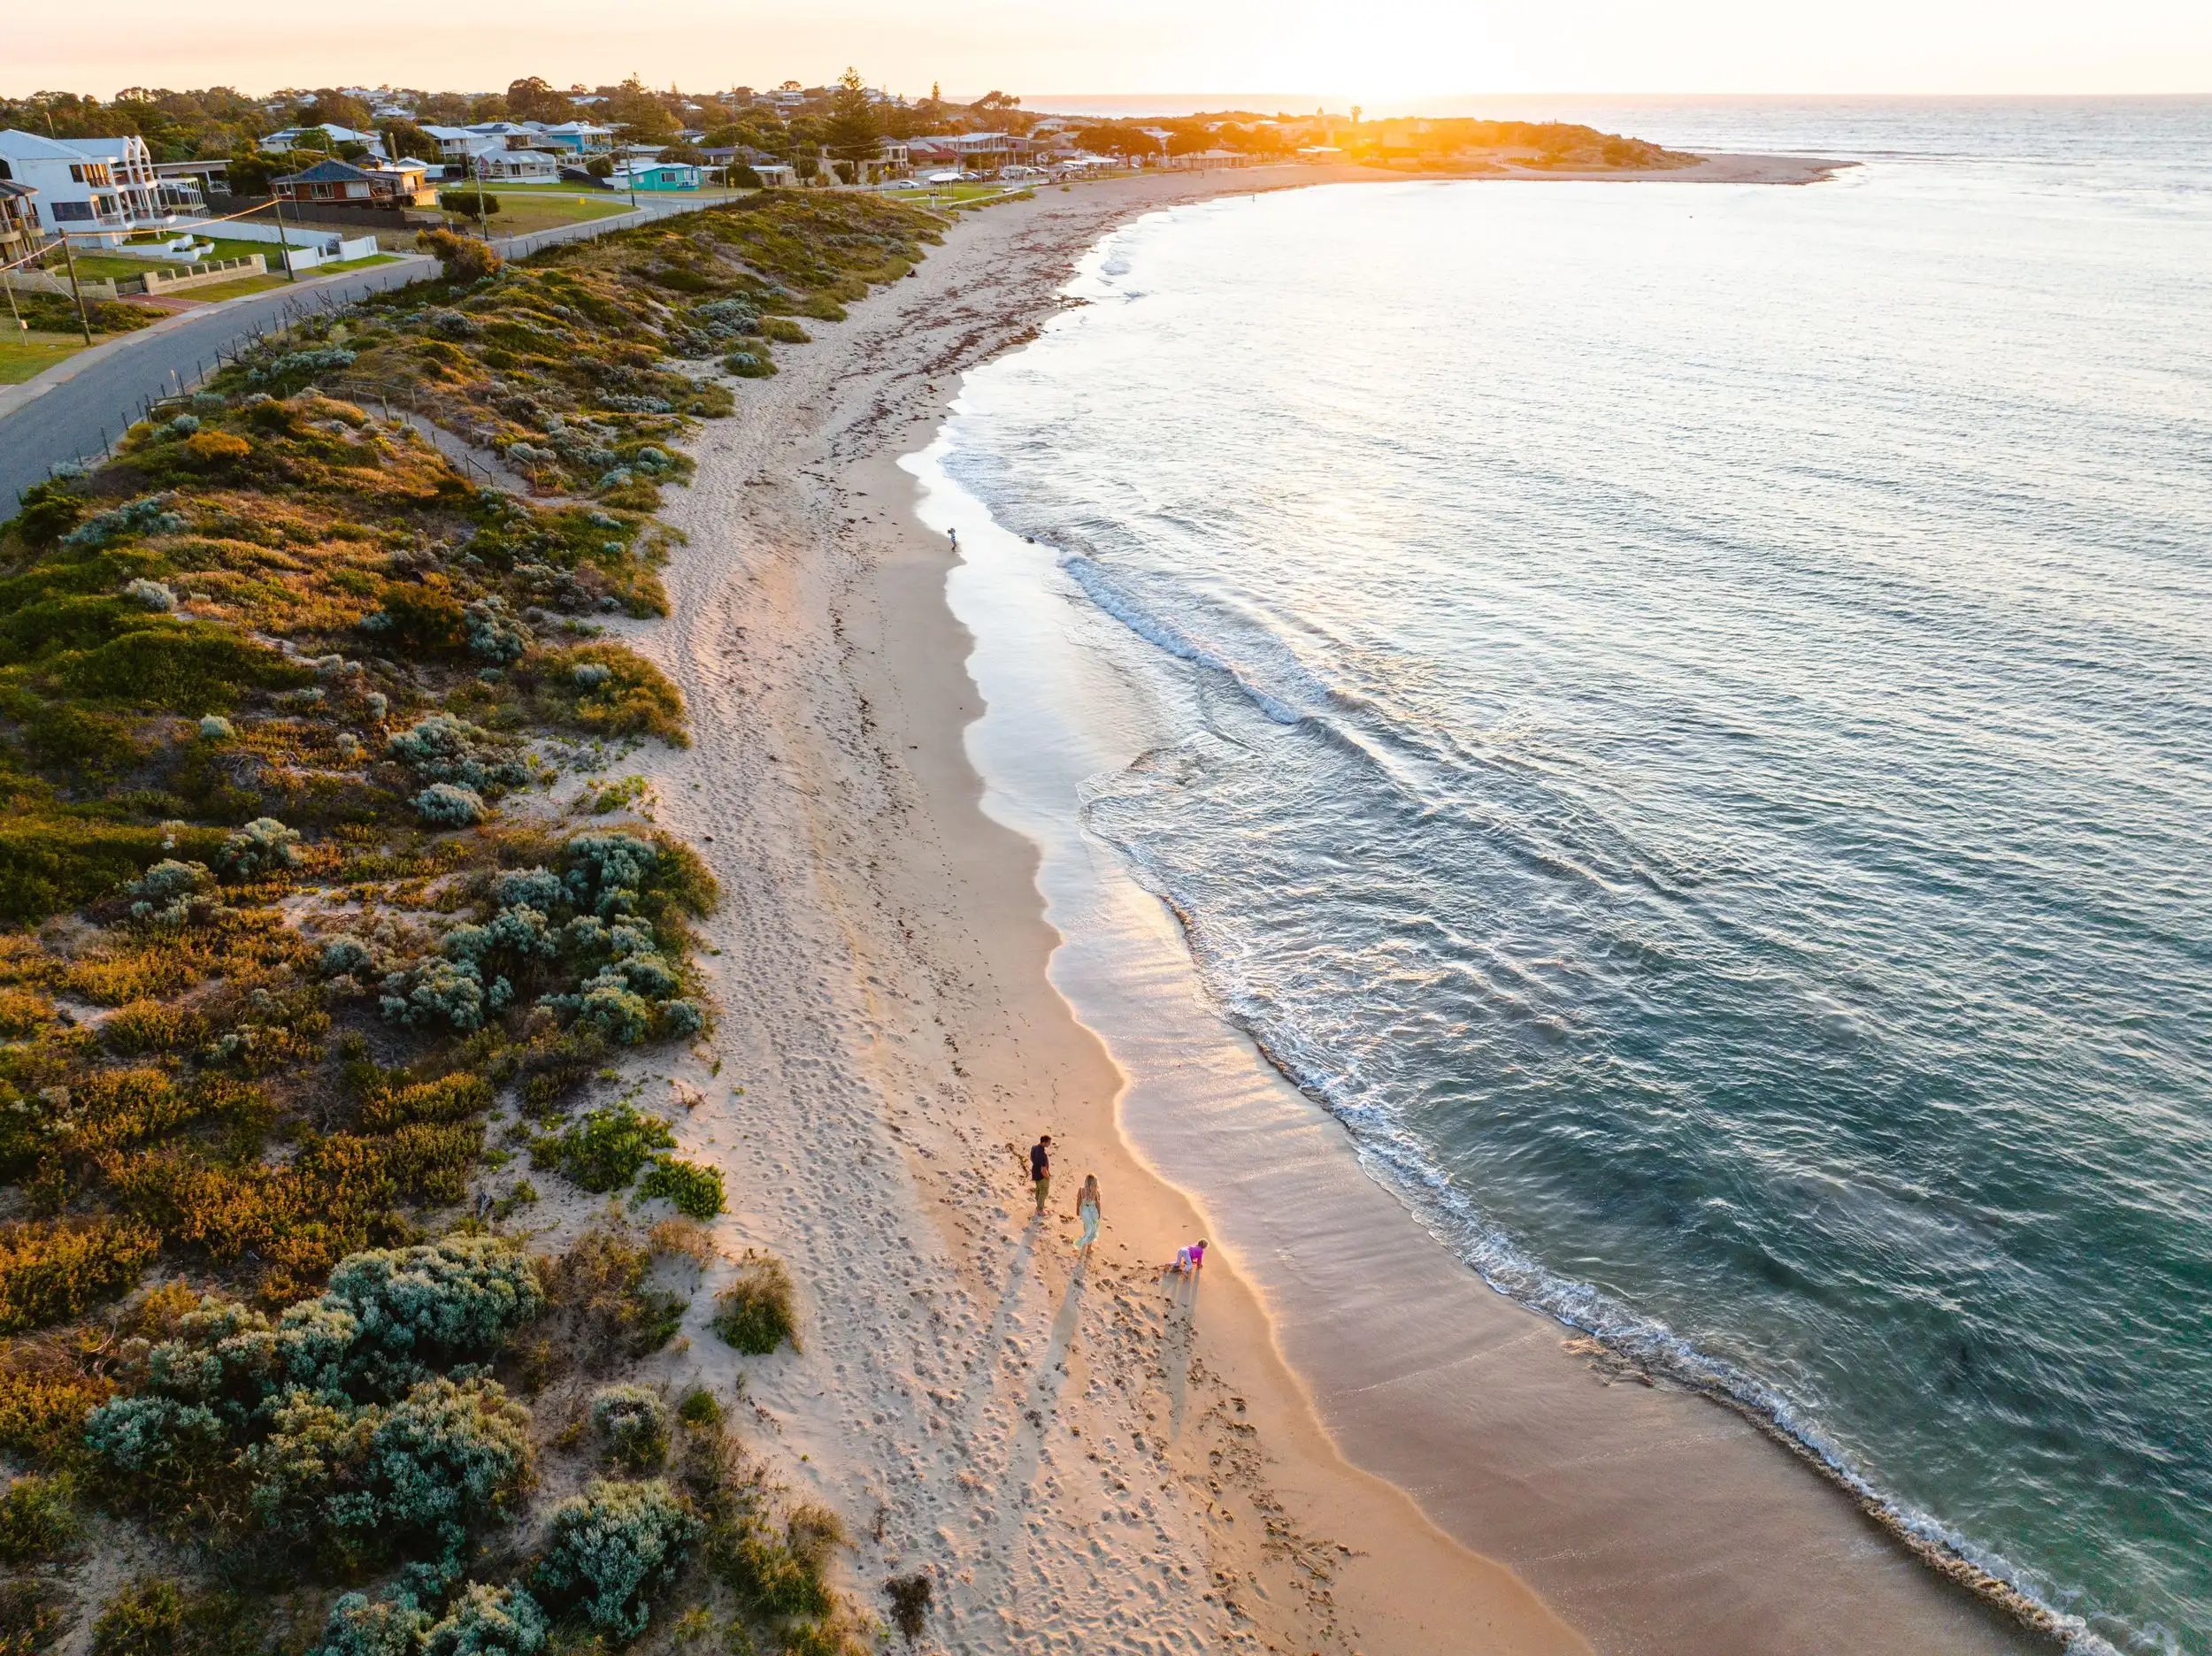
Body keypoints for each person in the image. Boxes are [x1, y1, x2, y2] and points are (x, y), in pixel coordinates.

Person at [1074, 1175, 1102, 1258]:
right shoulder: (1096, 1193)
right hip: (1093, 1213)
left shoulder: (1081, 1190)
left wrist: (1077, 1211)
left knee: (1087, 1227)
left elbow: (1078, 1201)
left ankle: (1085, 1241)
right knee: (1092, 1230)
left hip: (1085, 1212)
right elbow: (1098, 1205)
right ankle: (1089, 1248)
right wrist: (1099, 1214)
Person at [1028, 1134, 1051, 1215]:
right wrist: (1047, 1177)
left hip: (1035, 1172)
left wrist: (1036, 1164)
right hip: (1042, 1175)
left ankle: (1038, 1207)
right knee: (1044, 1192)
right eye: (1049, 1142)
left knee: (1038, 1190)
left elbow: (1031, 1158)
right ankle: (1040, 1210)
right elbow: (1043, 1170)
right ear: (1044, 1142)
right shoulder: (1043, 1154)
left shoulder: (1034, 1148)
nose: (1049, 1144)